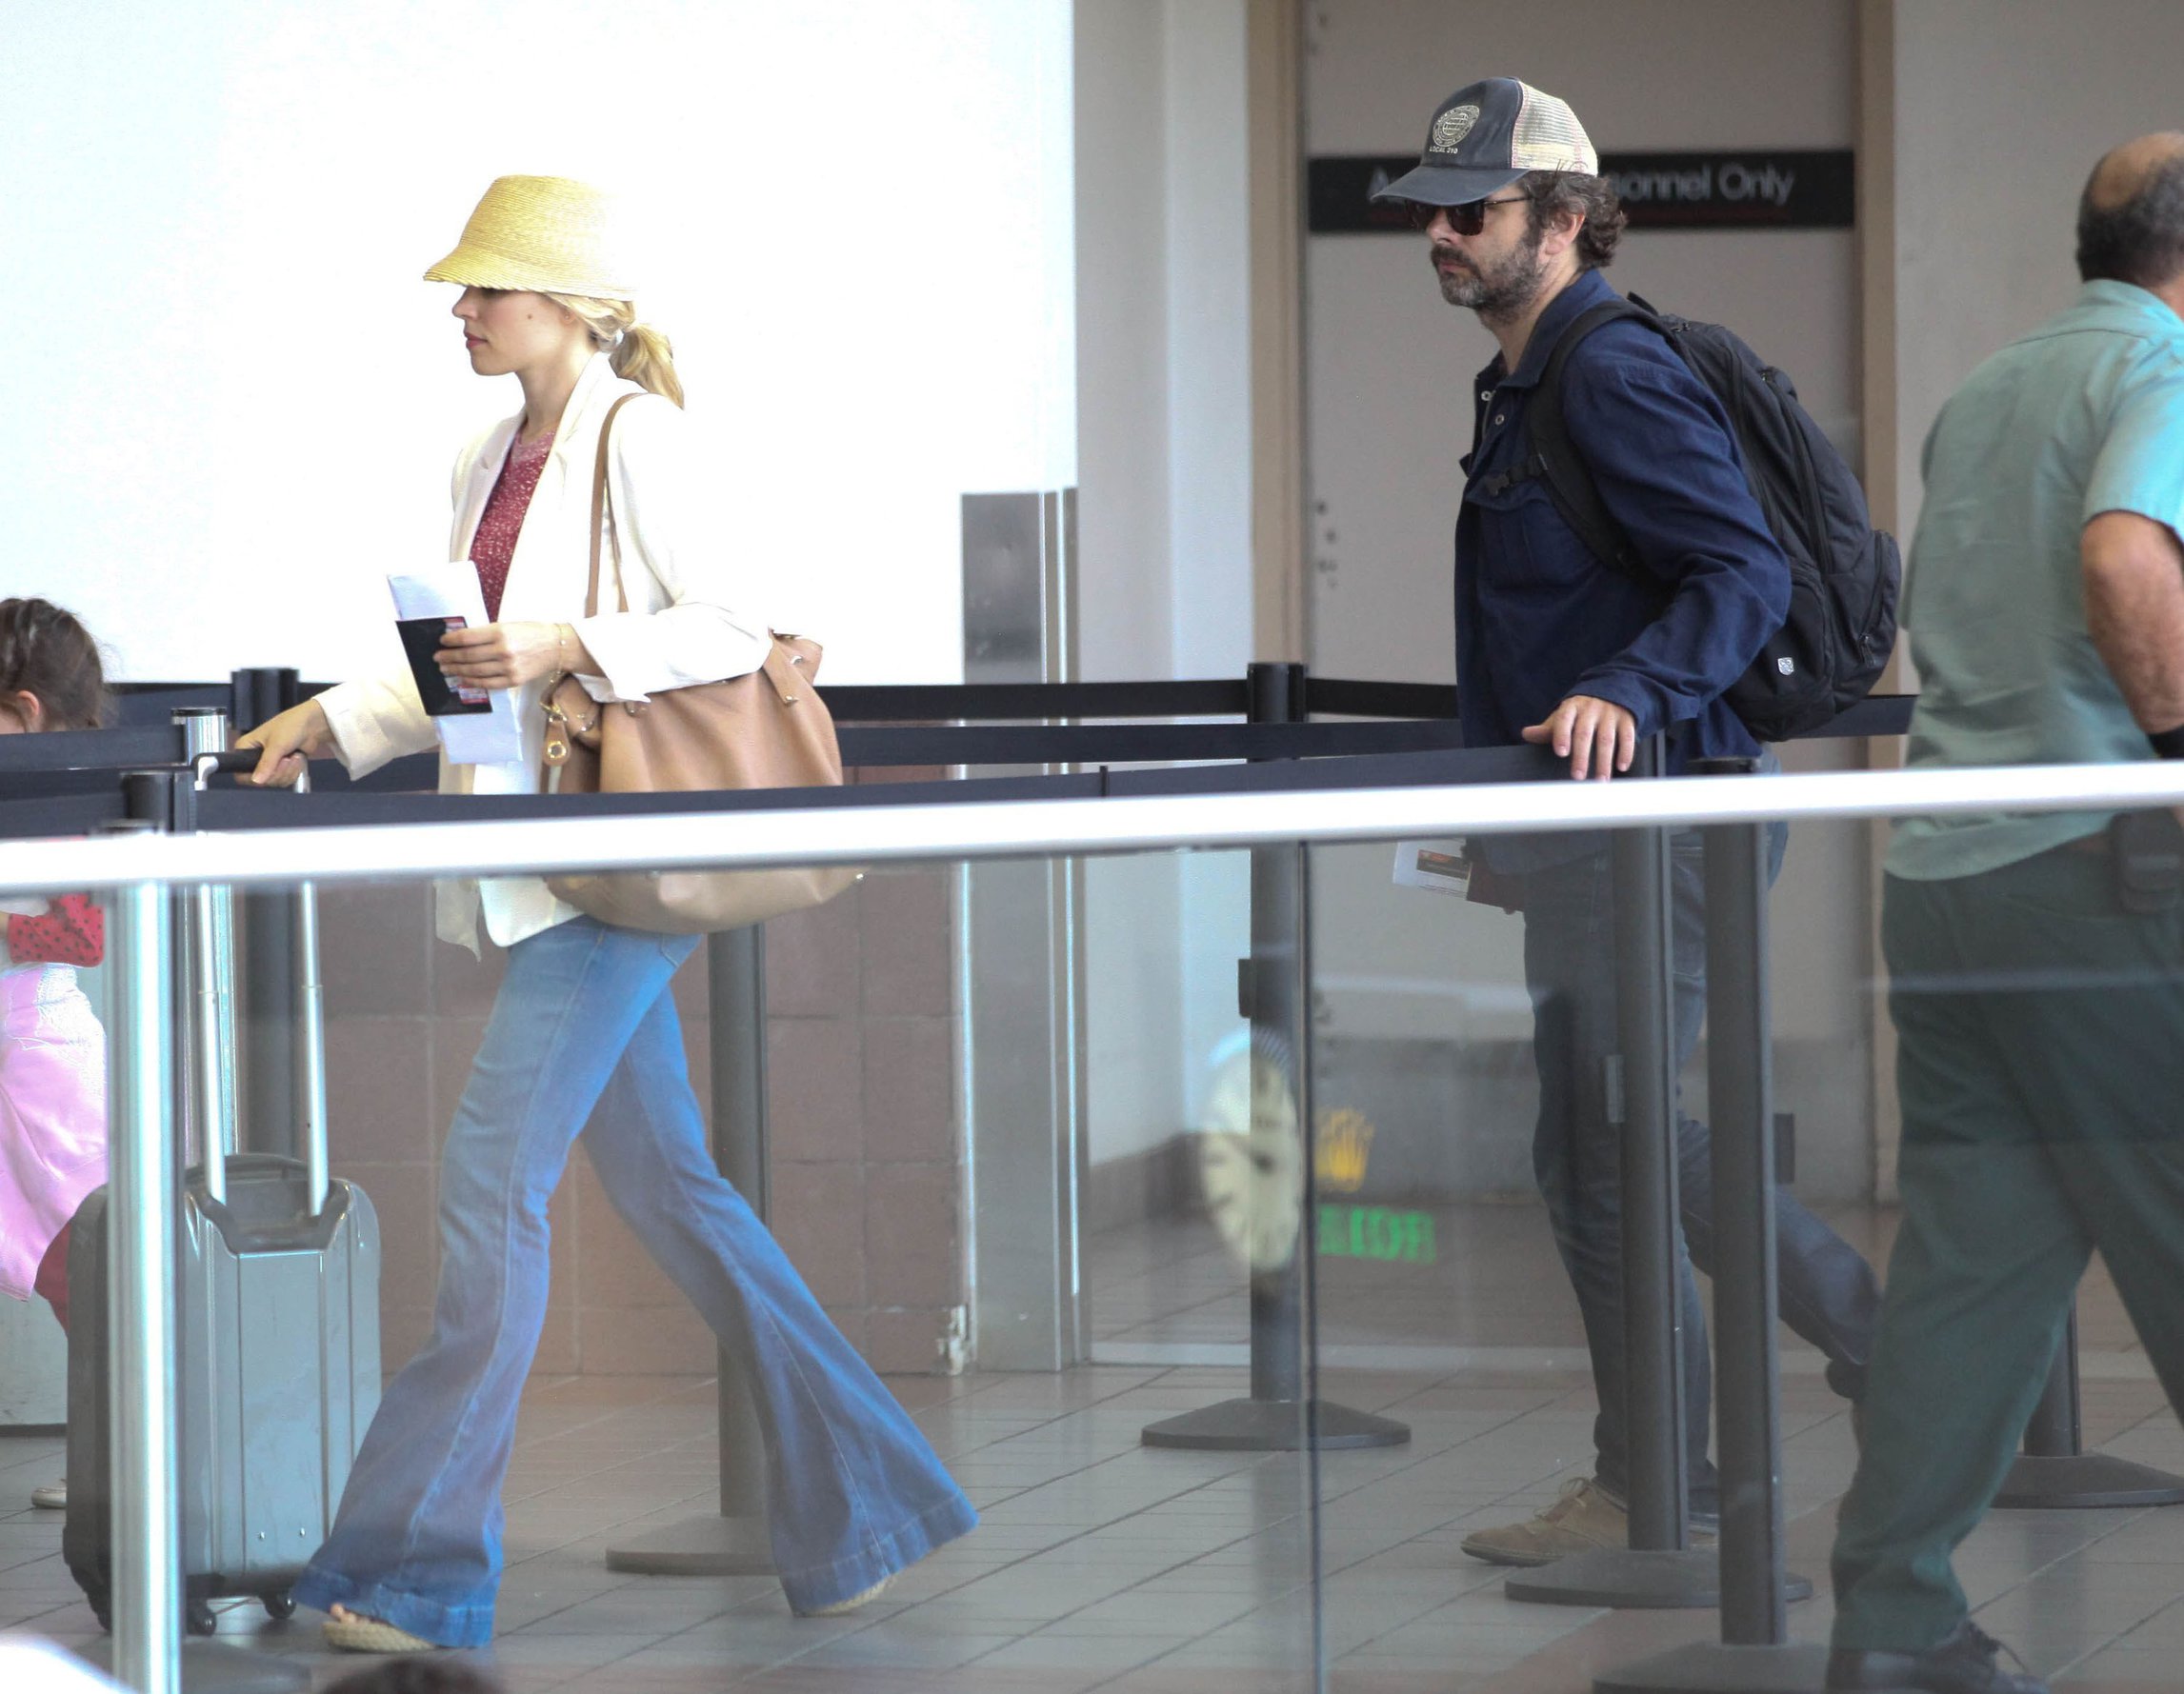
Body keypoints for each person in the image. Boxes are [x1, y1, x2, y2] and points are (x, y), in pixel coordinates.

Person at [240, 175, 976, 1653]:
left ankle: (416, 1571)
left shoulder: (644, 440)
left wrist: (569, 635)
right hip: (555, 853)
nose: (461, 312)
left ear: (569, 306)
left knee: (485, 1189)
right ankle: (871, 1499)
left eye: (485, 290)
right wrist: (335, 714)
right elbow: (469, 661)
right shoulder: (483, 452)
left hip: (619, 862)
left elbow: (738, 622)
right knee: (673, 1191)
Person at [1372, 78, 1881, 1564]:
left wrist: (1629, 689)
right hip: (1594, 831)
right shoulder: (1527, 378)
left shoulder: (1604, 370)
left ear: (1570, 219)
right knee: (1613, 1143)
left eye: (1473, 211)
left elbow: (1739, 572)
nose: (1442, 237)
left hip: (1655, 827)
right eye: (1431, 213)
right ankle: (1706, 1448)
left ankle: (1665, 1475)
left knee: (1607, 1151)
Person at [1825, 134, 2184, 1694]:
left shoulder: (1987, 386)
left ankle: (1891, 1617)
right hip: (2096, 872)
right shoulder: (2162, 366)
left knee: (1972, 1267)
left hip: (1942, 878)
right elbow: (2121, 554)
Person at [0, 597, 111, 1513]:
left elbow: (81, 937)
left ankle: (120, 1455)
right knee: (53, 1267)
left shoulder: (73, 804)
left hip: (42, 1062)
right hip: (21, 1057)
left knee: (81, 1267)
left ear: (26, 713)